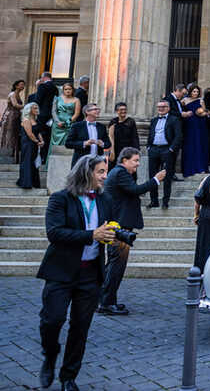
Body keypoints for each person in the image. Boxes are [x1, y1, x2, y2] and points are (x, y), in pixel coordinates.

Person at [37, 155, 114, 391]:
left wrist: (116, 236)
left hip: (90, 274)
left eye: (105, 171)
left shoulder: (105, 200)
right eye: (100, 172)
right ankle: (50, 354)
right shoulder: (61, 199)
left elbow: (107, 227)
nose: (104, 176)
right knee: (52, 320)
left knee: (80, 327)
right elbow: (55, 233)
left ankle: (68, 377)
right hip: (61, 270)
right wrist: (92, 235)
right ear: (86, 172)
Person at [98, 147, 162, 315]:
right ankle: (106, 303)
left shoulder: (120, 173)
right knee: (116, 266)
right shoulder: (120, 173)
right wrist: (156, 179)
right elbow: (135, 190)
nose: (138, 164)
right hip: (120, 226)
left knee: (113, 264)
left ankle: (105, 300)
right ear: (124, 161)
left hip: (120, 224)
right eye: (135, 160)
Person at [146, 100, 182, 209]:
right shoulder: (154, 120)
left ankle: (165, 201)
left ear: (168, 108)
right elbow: (151, 134)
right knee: (153, 176)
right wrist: (149, 147)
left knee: (167, 177)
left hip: (167, 150)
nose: (160, 109)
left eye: (163, 107)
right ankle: (154, 200)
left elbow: (178, 135)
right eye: (158, 107)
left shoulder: (174, 119)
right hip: (154, 150)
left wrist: (171, 149)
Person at [180, 84, 209, 176]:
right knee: (189, 144)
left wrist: (200, 113)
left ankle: (200, 167)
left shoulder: (201, 101)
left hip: (199, 125)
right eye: (194, 91)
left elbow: (204, 113)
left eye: (197, 92)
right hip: (188, 124)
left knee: (198, 144)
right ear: (190, 92)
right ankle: (189, 166)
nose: (195, 93)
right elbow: (179, 110)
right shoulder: (184, 100)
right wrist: (184, 113)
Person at [106, 103, 139, 172]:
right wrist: (112, 151)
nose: (123, 111)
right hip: (116, 148)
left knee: (128, 168)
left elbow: (134, 137)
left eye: (125, 109)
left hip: (128, 149)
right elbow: (111, 137)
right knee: (113, 168)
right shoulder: (113, 121)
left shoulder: (131, 121)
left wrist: (135, 152)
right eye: (121, 109)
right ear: (116, 111)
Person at [18, 101, 42, 189]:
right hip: (28, 142)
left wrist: (41, 141)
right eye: (34, 108)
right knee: (27, 160)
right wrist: (37, 141)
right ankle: (26, 182)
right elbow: (29, 133)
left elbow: (37, 131)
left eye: (37, 108)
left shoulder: (34, 119)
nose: (37, 110)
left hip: (34, 142)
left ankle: (33, 182)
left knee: (33, 161)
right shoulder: (25, 119)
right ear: (29, 110)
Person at [35, 72, 58, 163]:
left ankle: (41, 156)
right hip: (52, 115)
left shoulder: (42, 87)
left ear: (43, 78)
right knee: (48, 136)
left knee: (41, 135)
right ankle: (46, 156)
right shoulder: (55, 88)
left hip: (42, 115)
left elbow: (38, 100)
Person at [0, 79, 26, 163]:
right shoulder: (12, 94)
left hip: (16, 118)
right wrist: (26, 106)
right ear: (16, 86)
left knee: (14, 136)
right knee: (9, 135)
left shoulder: (18, 95)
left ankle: (14, 158)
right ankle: (5, 157)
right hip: (10, 118)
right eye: (21, 84)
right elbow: (14, 104)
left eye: (23, 85)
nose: (22, 86)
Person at [50, 82, 81, 146]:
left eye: (69, 89)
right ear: (63, 90)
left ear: (72, 90)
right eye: (66, 89)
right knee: (55, 145)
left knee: (68, 142)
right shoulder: (57, 98)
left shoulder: (76, 100)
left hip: (70, 124)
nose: (68, 91)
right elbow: (53, 111)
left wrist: (68, 122)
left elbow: (77, 113)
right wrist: (58, 121)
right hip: (57, 124)